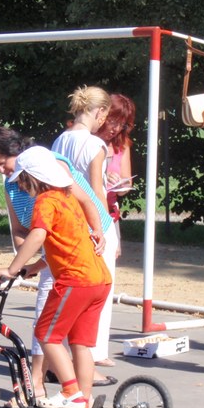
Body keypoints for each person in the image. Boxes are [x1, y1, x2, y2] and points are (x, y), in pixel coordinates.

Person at [0, 127, 118, 402]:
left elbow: (39, 234)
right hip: (96, 277)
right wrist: (32, 266)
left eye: (21, 178)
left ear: (33, 177)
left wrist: (12, 269)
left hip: (76, 277)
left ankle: (69, 393)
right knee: (79, 343)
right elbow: (57, 244)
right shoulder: (64, 200)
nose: (15, 182)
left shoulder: (46, 200)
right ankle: (83, 401)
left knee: (46, 333)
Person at [52, 85, 119, 368]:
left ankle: (69, 350)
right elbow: (96, 191)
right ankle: (95, 352)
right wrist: (108, 229)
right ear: (100, 112)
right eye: (106, 114)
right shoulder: (95, 145)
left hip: (71, 220)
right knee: (100, 285)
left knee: (76, 285)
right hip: (94, 220)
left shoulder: (59, 140)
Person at [94, 93, 136, 258]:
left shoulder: (122, 145)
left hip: (110, 213)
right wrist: (103, 176)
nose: (116, 128)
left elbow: (127, 184)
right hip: (86, 211)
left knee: (109, 258)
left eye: (122, 124)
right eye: (113, 121)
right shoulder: (87, 140)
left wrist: (120, 184)